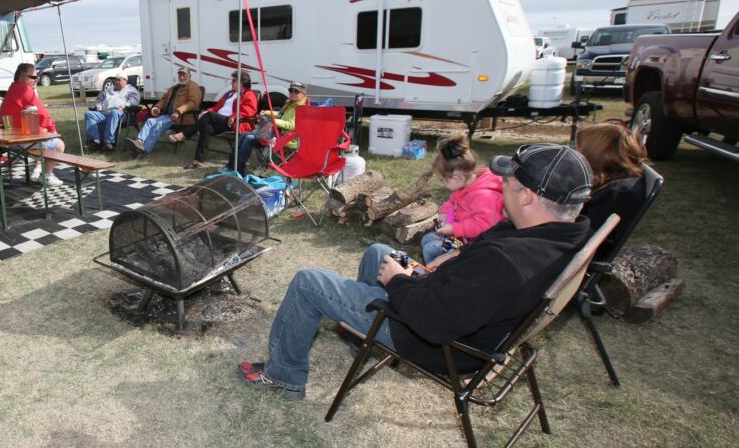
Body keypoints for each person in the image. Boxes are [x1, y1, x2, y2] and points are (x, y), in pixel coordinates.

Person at [237, 143, 594, 401]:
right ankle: (361, 333)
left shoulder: (510, 262)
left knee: (307, 283)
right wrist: (448, 262)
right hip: (449, 308)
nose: (501, 184)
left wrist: (400, 281)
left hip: (433, 340)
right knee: (379, 252)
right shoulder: (556, 235)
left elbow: (433, 322)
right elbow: (477, 275)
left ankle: (282, 376)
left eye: (509, 181)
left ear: (528, 196)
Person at [419, 134, 505, 265]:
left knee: (431, 249)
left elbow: (484, 226)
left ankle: (435, 277)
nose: (442, 184)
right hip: (464, 237)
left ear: (456, 177)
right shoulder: (467, 184)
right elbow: (453, 201)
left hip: (477, 245)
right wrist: (444, 212)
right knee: (427, 239)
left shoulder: (484, 196)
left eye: (443, 180)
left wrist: (454, 229)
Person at [576, 122, 648, 257]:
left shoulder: (618, 195)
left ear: (593, 155)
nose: (576, 154)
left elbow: (588, 244)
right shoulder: (617, 183)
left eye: (579, 149)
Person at [170, 70, 258, 169]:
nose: (231, 82)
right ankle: (198, 160)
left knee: (209, 115)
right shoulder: (230, 94)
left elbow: (249, 111)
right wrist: (208, 110)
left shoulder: (250, 94)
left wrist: (233, 116)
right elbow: (217, 107)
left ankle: (185, 134)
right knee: (206, 127)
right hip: (220, 120)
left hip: (233, 122)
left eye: (233, 80)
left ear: (242, 82)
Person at [0, 62, 66, 187]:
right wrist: (53, 130)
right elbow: (43, 113)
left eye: (37, 77)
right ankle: (46, 176)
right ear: (21, 77)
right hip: (19, 141)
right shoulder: (24, 90)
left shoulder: (12, 88)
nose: (37, 80)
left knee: (43, 136)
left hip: (9, 138)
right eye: (33, 77)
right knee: (59, 145)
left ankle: (38, 170)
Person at [231, 81, 308, 175]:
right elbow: (281, 115)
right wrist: (267, 112)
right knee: (244, 135)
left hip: (287, 139)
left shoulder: (301, 108)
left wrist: (273, 122)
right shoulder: (291, 104)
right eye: (290, 90)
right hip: (278, 135)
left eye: (296, 91)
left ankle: (238, 169)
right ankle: (232, 165)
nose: (292, 93)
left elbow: (291, 125)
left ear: (303, 94)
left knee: (248, 138)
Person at [130, 67, 203, 158]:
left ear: (189, 75)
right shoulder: (174, 87)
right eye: (180, 75)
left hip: (182, 117)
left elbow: (193, 103)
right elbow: (164, 100)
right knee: (150, 121)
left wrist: (178, 111)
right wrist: (157, 107)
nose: (181, 77)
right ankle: (139, 142)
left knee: (160, 124)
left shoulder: (193, 87)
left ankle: (145, 149)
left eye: (184, 75)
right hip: (168, 115)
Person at [84, 73, 140, 151]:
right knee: (89, 114)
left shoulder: (131, 90)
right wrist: (98, 104)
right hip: (104, 113)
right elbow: (99, 98)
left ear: (125, 80)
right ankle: (94, 140)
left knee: (114, 112)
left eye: (118, 80)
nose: (116, 82)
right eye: (115, 80)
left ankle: (109, 141)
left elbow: (134, 102)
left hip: (122, 114)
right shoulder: (109, 89)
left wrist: (124, 106)